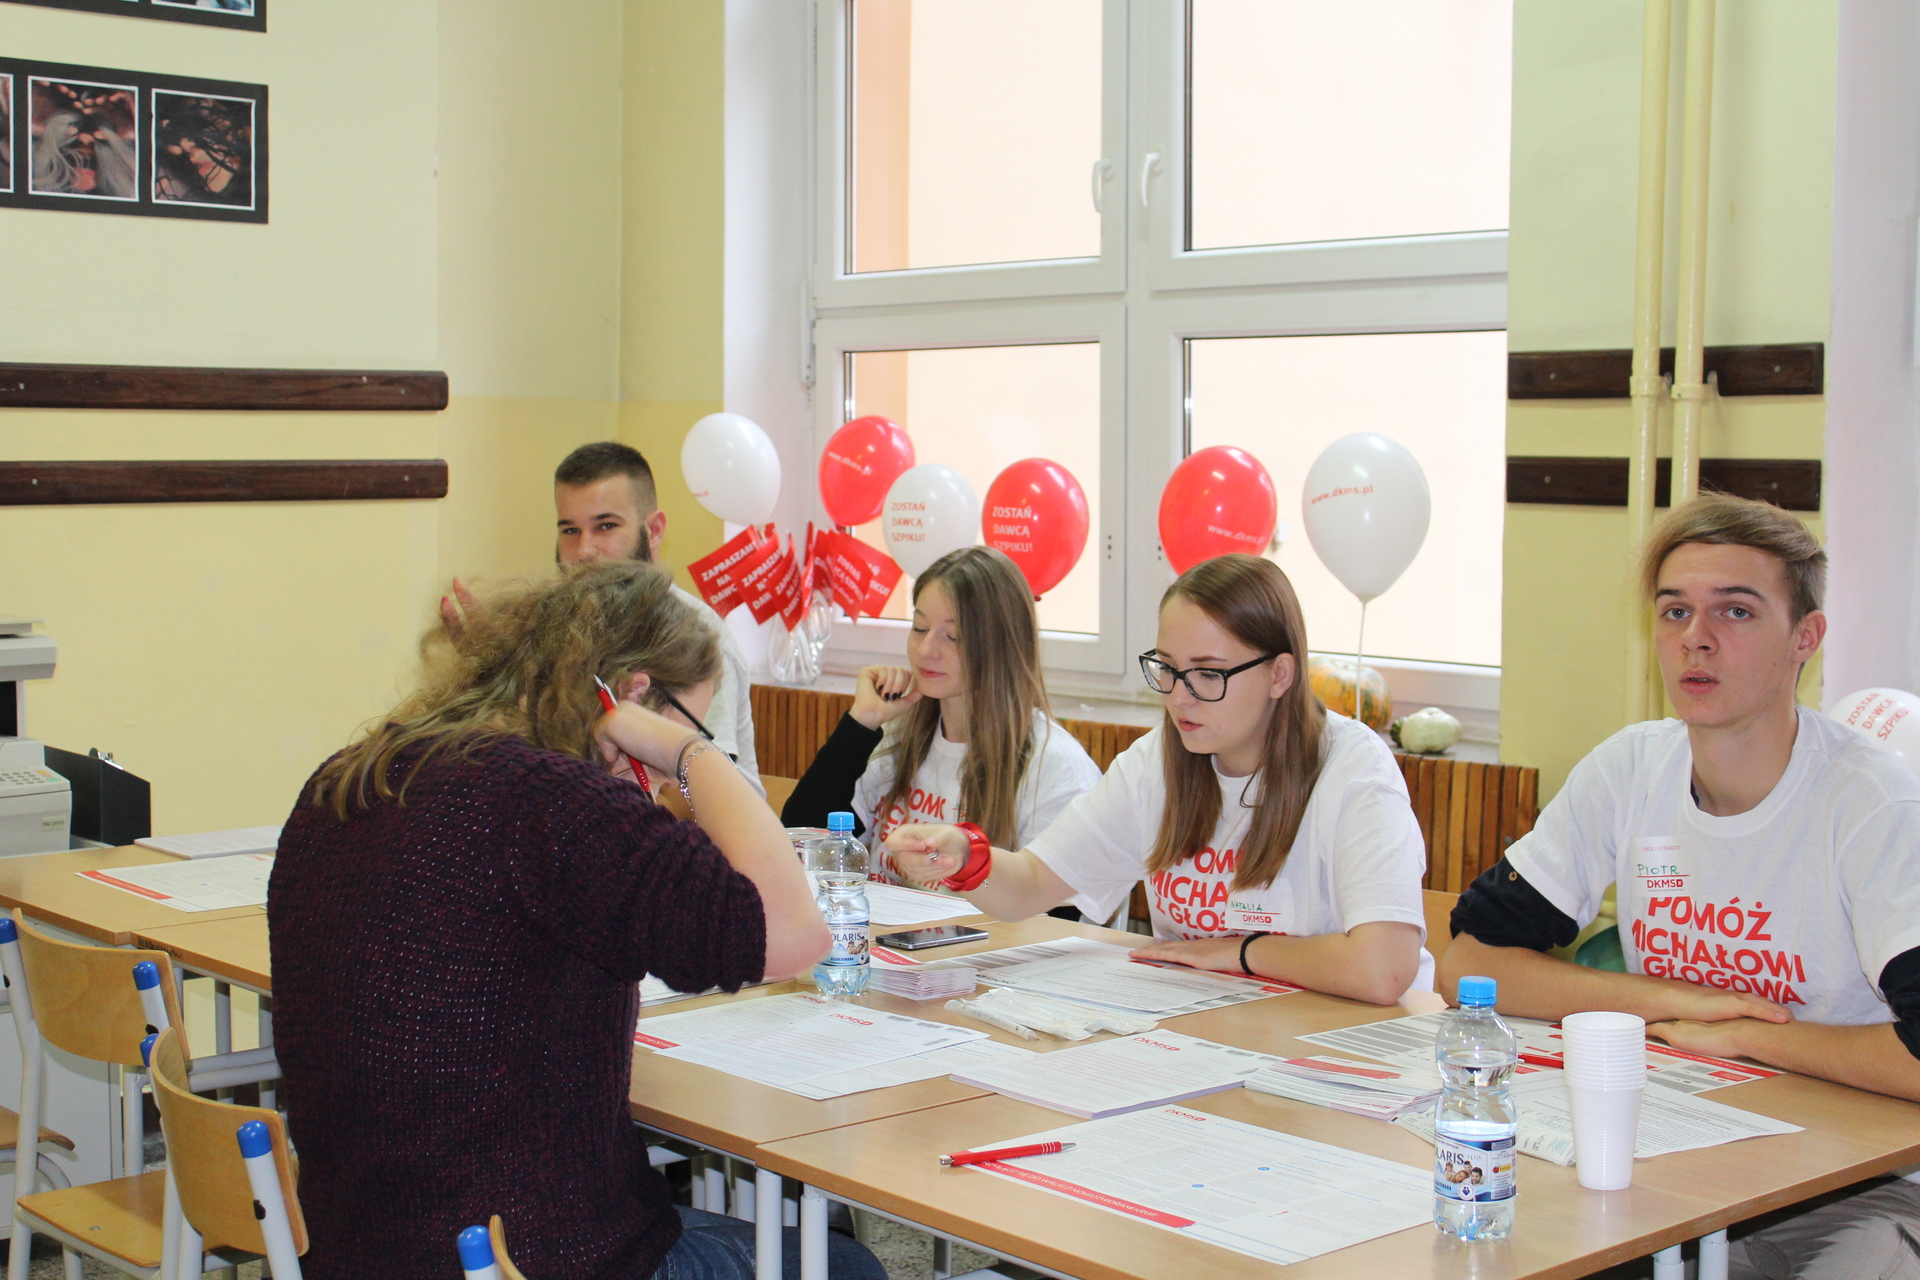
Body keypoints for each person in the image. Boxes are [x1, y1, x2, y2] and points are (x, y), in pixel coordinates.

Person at [271, 561, 882, 1280]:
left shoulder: (352, 773)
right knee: (847, 1270)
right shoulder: (554, 803)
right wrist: (688, 753)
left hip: (355, 1249)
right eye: (689, 719)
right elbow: (796, 934)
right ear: (628, 698)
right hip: (524, 1257)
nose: (659, 781)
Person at [1440, 493, 1920, 1280]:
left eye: (1735, 612)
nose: (1696, 639)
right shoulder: (1632, 768)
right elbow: (1470, 960)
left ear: (1806, 637)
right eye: (1674, 612)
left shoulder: (1871, 805)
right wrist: (1677, 1003)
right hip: (1678, 1145)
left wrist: (1748, 1035)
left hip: (1859, 1181)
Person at [883, 553, 1429, 1004]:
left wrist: (1239, 951)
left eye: (1208, 674)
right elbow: (1028, 886)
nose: (1179, 696)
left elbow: (1382, 969)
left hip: (1344, 1039)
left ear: (1279, 674)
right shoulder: (1157, 764)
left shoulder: (1353, 770)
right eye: (1167, 668)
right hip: (1206, 1027)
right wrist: (964, 854)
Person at [442, 440, 764, 796]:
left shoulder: (695, 639)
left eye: (606, 527)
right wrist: (489, 670)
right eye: (570, 530)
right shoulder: (557, 628)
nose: (584, 551)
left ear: (654, 530)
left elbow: (699, 797)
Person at [781, 545, 1102, 894]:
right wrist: (861, 723)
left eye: (953, 636)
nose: (925, 650)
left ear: (1001, 646)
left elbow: (1057, 918)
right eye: (919, 627)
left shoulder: (1056, 768)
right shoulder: (896, 738)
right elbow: (800, 843)